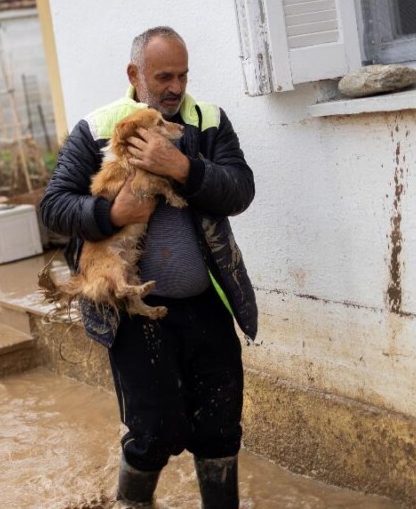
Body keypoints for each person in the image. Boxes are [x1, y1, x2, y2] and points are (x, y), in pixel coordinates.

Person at [40, 26, 258, 508]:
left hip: (206, 302)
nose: (175, 88)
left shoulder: (208, 121)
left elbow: (240, 190)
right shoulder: (97, 129)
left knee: (221, 425)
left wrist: (182, 167)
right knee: (154, 428)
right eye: (163, 76)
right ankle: (131, 503)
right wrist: (109, 215)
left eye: (182, 75)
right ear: (134, 75)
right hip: (132, 310)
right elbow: (53, 209)